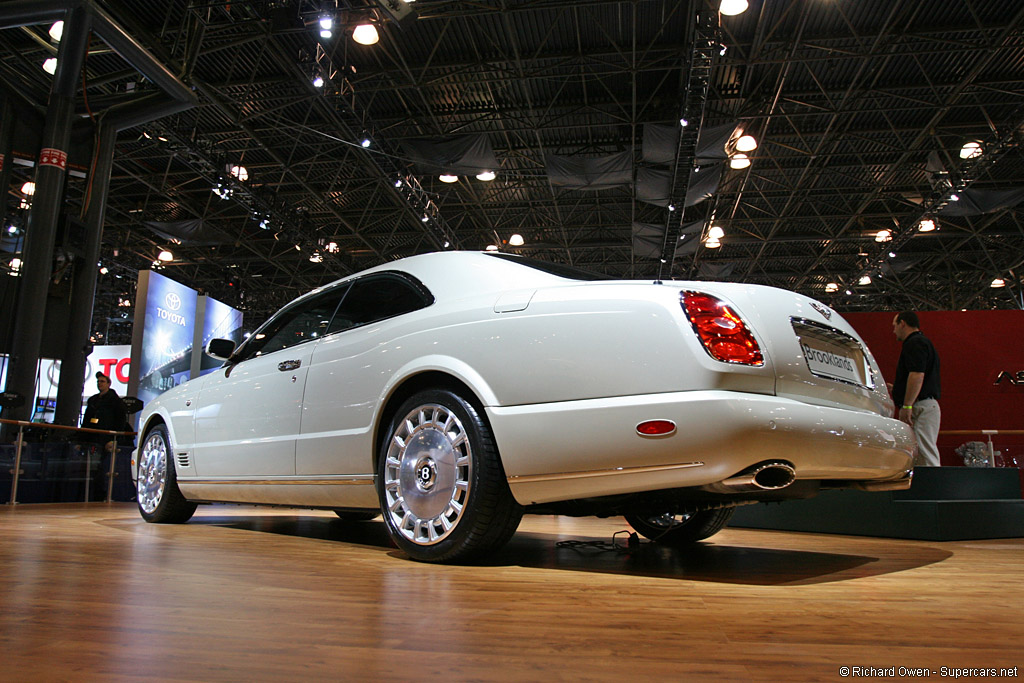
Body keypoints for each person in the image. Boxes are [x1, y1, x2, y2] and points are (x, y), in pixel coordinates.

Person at [891, 312, 941, 467]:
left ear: (902, 323)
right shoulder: (921, 342)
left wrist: (907, 405)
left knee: (924, 454)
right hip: (923, 405)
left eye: (895, 326)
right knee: (920, 453)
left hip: (920, 407)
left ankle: (932, 488)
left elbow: (917, 375)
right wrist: (898, 388)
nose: (894, 331)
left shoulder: (915, 343)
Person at [82, 371, 128, 453]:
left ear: (108, 384)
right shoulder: (93, 400)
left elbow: (120, 421)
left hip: (106, 438)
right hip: (91, 437)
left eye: (102, 381)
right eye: (98, 381)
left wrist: (114, 439)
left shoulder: (116, 401)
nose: (99, 383)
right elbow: (86, 419)